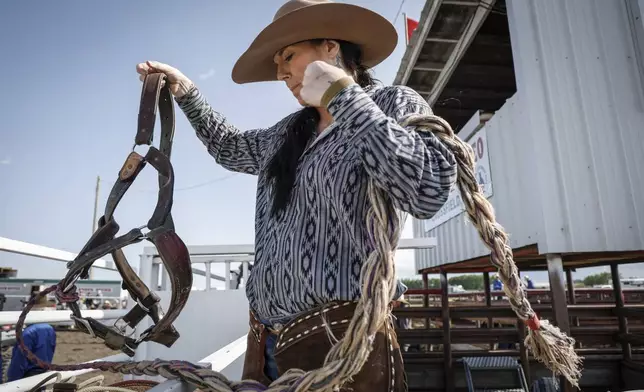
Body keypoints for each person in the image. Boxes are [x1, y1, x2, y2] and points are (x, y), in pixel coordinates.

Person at [135, 0, 457, 390]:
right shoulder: (288, 132)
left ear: (330, 48)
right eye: (277, 62)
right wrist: (186, 92)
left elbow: (427, 190)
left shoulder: (394, 103)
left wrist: (341, 96)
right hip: (266, 342)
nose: (281, 72)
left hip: (344, 344)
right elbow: (229, 147)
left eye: (289, 55)